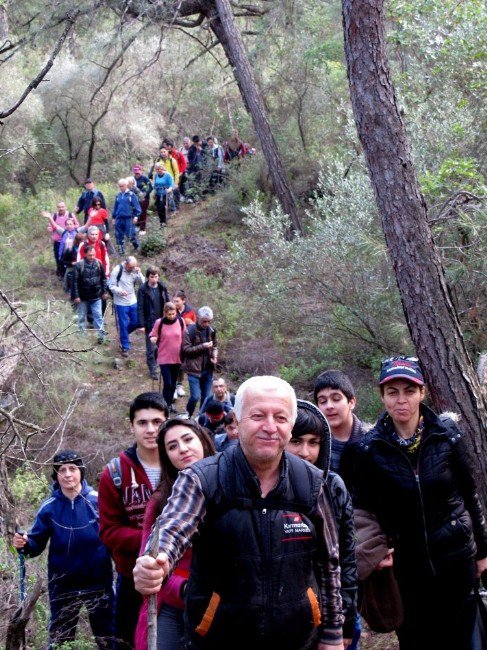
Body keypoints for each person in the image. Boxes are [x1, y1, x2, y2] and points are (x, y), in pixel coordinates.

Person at [133, 375, 344, 650]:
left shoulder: (312, 483)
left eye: (280, 418)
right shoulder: (203, 479)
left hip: (298, 640)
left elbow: (329, 563)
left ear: (291, 426)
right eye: (258, 415)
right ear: (238, 419)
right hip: (218, 639)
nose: (270, 427)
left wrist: (333, 632)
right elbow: (173, 527)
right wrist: (157, 560)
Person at [343, 356, 487, 650]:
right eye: (392, 392)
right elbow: (362, 511)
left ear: (422, 392)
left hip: (456, 560)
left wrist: (482, 552)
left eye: (409, 390)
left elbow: (470, 494)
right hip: (406, 570)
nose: (401, 400)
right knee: (417, 639)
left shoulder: (447, 436)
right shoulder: (368, 450)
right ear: (382, 396)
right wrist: (375, 551)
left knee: (462, 637)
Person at [13, 451, 113, 649]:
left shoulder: (98, 501)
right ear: (56, 475)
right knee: (61, 640)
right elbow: (35, 545)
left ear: (81, 471)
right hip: (63, 585)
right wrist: (24, 544)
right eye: (62, 470)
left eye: (72, 469)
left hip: (99, 583)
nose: (67, 474)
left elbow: (114, 538)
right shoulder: (49, 508)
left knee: (107, 638)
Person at [134, 419, 215, 650]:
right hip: (174, 603)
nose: (182, 448)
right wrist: (184, 588)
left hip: (224, 604)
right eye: (172, 446)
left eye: (188, 439)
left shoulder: (232, 488)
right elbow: (148, 561)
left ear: (203, 440)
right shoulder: (160, 501)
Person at [286, 400, 359, 650]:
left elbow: (346, 556)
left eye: (313, 443)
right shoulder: (267, 489)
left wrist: (346, 619)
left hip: (330, 610)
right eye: (296, 441)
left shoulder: (333, 486)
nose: (305, 452)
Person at [99, 392, 168, 649]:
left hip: (180, 576)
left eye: (157, 422)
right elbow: (108, 531)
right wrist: (153, 540)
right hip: (132, 577)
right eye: (142, 423)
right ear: (132, 426)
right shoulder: (115, 473)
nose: (150, 430)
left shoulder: (182, 466)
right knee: (128, 641)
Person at [314, 370, 367, 476]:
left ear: (351, 402)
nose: (329, 406)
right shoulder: (314, 442)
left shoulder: (371, 442)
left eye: (336, 399)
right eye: (323, 401)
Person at [149, 302, 186, 412]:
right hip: (164, 357)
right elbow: (152, 334)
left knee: (173, 383)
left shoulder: (180, 321)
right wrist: (153, 339)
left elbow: (185, 335)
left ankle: (169, 405)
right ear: (164, 313)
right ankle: (165, 405)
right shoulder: (159, 323)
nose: (171, 316)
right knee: (168, 382)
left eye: (173, 313)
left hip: (177, 357)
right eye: (169, 314)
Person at [182, 306, 218, 417]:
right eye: (204, 321)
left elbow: (215, 346)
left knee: (206, 397)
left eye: (209, 321)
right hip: (193, 369)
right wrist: (202, 346)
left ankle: (201, 419)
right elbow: (185, 350)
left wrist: (215, 356)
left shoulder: (211, 331)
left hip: (208, 369)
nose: (206, 324)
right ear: (198, 318)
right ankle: (188, 415)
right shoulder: (190, 331)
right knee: (195, 397)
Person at [137, 266, 170, 380]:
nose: (154, 279)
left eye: (156, 276)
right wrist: (141, 324)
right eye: (152, 277)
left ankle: (160, 364)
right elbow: (140, 307)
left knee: (161, 346)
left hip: (161, 321)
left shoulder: (162, 288)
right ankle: (153, 369)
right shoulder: (143, 289)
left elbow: (168, 304)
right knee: (150, 347)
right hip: (149, 322)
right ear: (148, 277)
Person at [109, 256, 144, 358]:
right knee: (123, 324)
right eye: (130, 267)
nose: (132, 269)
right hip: (120, 303)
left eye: (134, 267)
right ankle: (125, 346)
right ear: (126, 264)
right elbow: (111, 286)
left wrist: (139, 273)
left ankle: (123, 336)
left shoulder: (134, 271)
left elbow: (142, 283)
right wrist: (120, 291)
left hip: (132, 300)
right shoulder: (117, 270)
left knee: (136, 322)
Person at [71, 245, 108, 342]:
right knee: (81, 316)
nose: (92, 257)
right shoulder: (79, 265)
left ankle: (101, 337)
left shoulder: (98, 263)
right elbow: (74, 282)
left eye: (93, 255)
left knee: (98, 316)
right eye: (90, 255)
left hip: (96, 296)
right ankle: (81, 336)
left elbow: (103, 279)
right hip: (83, 297)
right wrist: (76, 296)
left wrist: (104, 292)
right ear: (85, 254)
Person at [172, 290, 196, 399]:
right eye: (174, 301)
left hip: (185, 342)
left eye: (177, 301)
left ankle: (179, 385)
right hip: (172, 342)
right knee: (172, 365)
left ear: (183, 300)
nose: (175, 303)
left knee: (182, 365)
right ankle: (172, 388)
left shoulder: (190, 311)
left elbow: (194, 327)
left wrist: (190, 324)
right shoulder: (171, 310)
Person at [46, 201, 79, 274]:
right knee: (59, 258)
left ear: (65, 207)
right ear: (57, 208)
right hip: (58, 242)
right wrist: (50, 228)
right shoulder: (54, 216)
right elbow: (51, 226)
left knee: (70, 259)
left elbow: (77, 225)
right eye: (59, 207)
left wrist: (68, 228)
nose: (61, 208)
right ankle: (61, 273)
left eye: (62, 207)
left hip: (70, 242)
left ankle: (71, 274)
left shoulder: (70, 215)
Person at [112, 178, 141, 255]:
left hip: (128, 218)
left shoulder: (131, 195)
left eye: (123, 186)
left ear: (126, 185)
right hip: (119, 218)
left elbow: (137, 207)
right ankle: (121, 252)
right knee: (119, 235)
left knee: (130, 234)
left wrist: (136, 216)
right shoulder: (118, 195)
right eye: (120, 186)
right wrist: (113, 217)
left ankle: (137, 246)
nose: (121, 187)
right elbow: (115, 207)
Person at [152, 162, 175, 226]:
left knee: (162, 207)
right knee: (158, 208)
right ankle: (161, 221)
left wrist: (169, 189)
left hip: (166, 193)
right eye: (157, 169)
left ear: (163, 168)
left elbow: (171, 184)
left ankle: (164, 221)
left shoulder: (168, 175)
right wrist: (154, 193)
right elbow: (155, 185)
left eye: (160, 168)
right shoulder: (156, 175)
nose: (159, 170)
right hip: (158, 194)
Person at [133, 165, 152, 235]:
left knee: (143, 212)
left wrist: (145, 193)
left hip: (144, 198)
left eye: (138, 172)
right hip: (136, 199)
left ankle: (143, 228)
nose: (137, 174)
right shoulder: (133, 179)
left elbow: (151, 187)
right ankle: (137, 225)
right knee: (136, 212)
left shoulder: (145, 178)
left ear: (141, 171)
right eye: (135, 173)